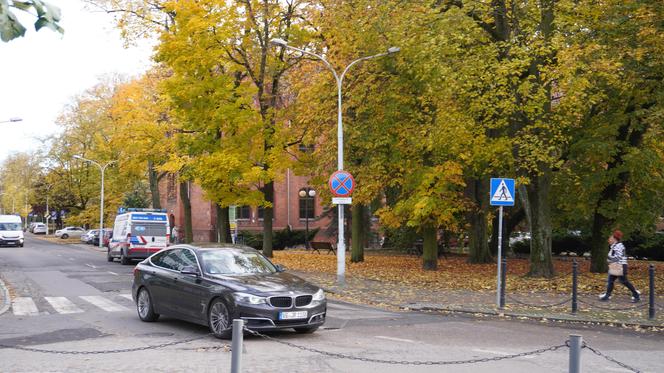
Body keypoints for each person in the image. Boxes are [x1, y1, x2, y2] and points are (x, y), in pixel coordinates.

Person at [599, 230, 641, 302]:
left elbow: (618, 257)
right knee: (610, 281)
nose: (609, 240)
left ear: (614, 239)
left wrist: (609, 259)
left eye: (610, 238)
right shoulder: (615, 245)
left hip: (619, 266)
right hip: (616, 265)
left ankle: (636, 295)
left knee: (624, 281)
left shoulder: (618, 246)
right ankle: (607, 295)